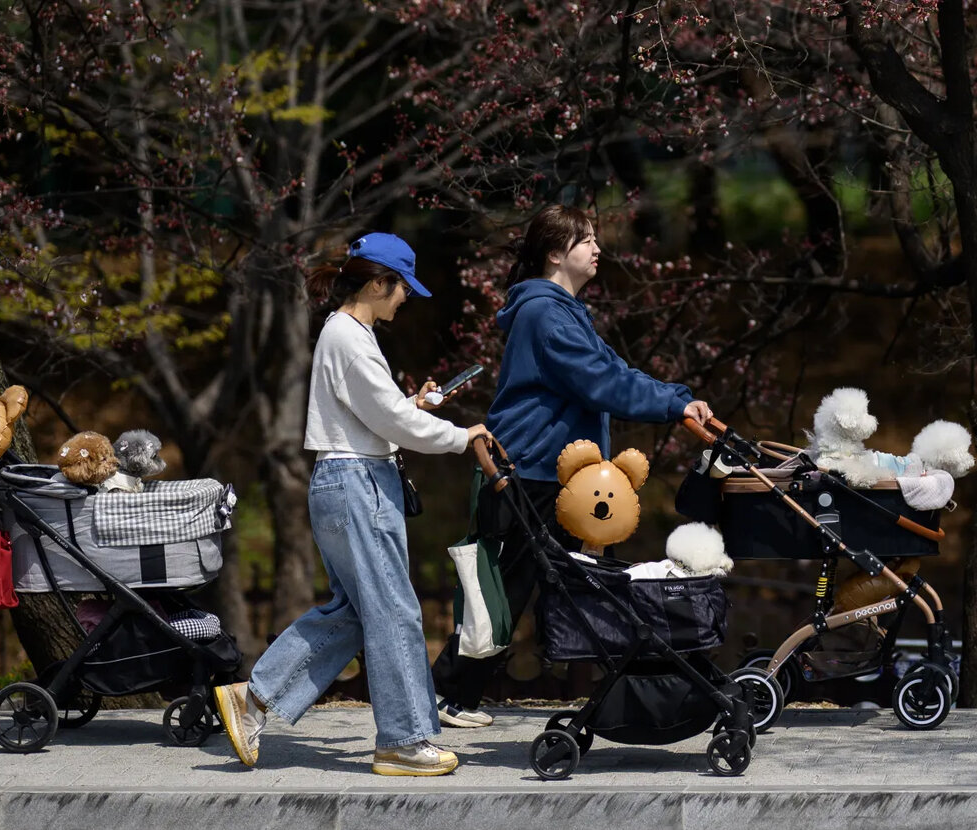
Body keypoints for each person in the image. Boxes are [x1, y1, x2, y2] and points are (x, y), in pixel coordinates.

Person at [214, 233, 489, 776]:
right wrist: (460, 435)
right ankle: (402, 742)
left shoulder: (346, 334)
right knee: (394, 611)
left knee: (357, 613)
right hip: (359, 483)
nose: (405, 298)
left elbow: (378, 414)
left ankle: (255, 698)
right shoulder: (349, 336)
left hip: (348, 480)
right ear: (378, 282)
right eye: (402, 287)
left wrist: (414, 405)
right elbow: (391, 423)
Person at [431, 204, 714, 728]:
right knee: (510, 589)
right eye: (586, 240)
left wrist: (676, 398)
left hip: (551, 474)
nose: (597, 248)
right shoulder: (544, 314)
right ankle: (446, 696)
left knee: (561, 586)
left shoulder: (563, 311)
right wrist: (674, 404)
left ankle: (456, 696)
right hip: (526, 470)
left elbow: (613, 371)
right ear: (556, 254)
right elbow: (601, 383)